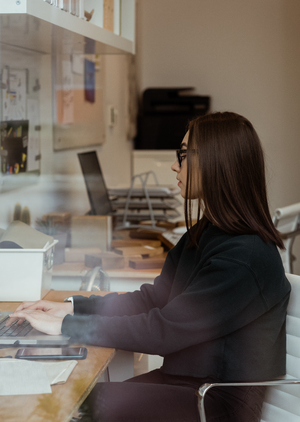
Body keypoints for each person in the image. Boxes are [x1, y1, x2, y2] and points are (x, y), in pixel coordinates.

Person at [9, 112, 291, 421]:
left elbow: (163, 330)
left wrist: (67, 328)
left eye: (182, 156)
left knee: (70, 407)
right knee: (71, 397)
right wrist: (71, 309)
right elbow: (153, 299)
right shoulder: (209, 233)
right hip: (184, 384)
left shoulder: (244, 257)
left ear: (215, 161)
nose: (174, 166)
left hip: (213, 402)